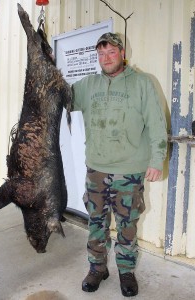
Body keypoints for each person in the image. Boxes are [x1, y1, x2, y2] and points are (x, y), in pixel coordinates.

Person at [71, 32, 167, 297]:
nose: (106, 58)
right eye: (101, 54)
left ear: (122, 54)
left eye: (111, 52)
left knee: (127, 225)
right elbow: (62, 99)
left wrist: (156, 159)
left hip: (130, 170)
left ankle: (126, 271)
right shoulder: (88, 84)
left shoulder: (142, 83)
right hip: (96, 169)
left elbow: (157, 124)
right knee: (96, 223)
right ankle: (97, 267)